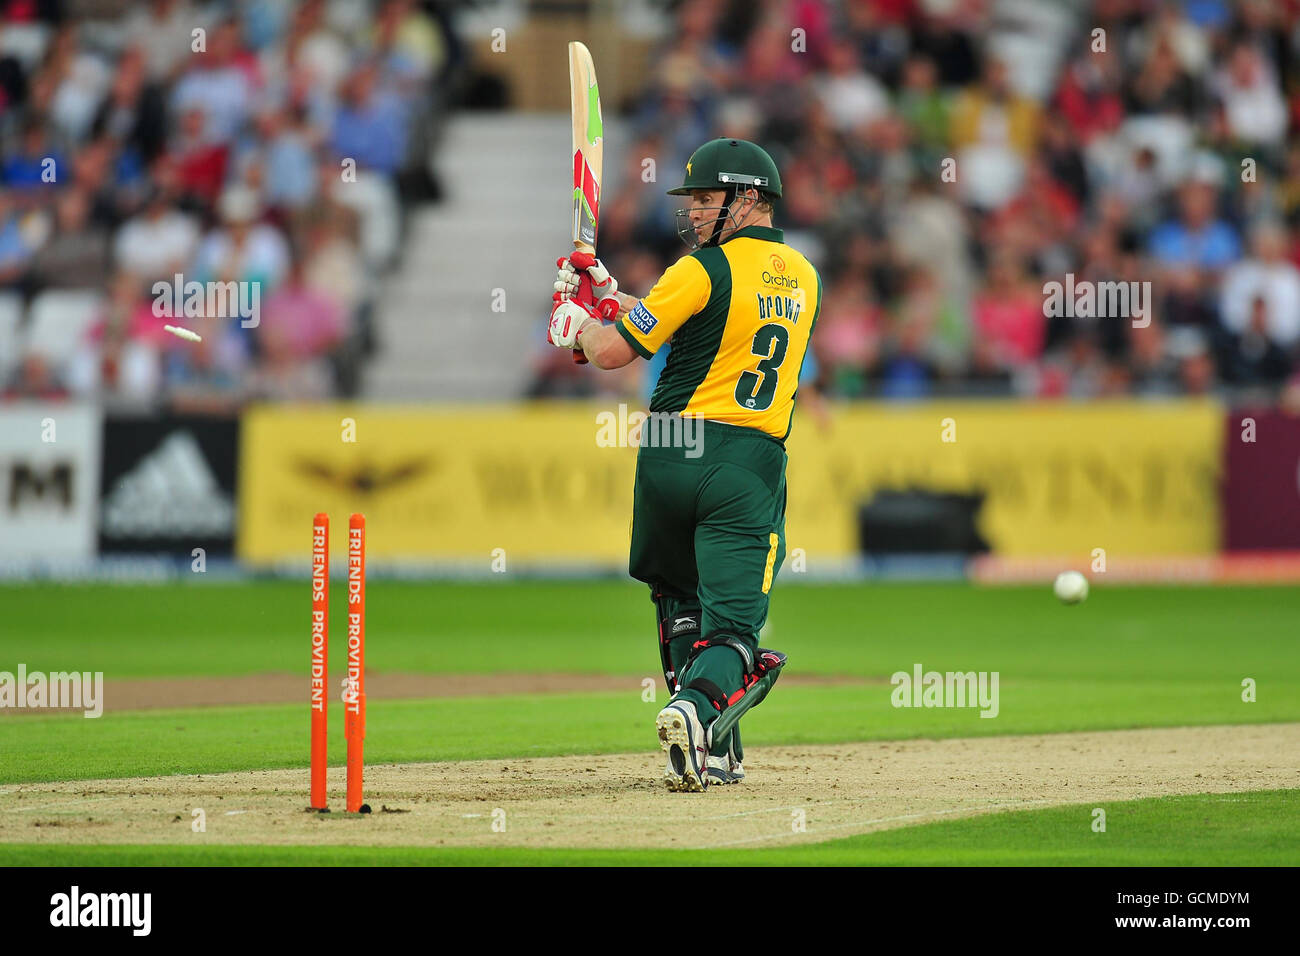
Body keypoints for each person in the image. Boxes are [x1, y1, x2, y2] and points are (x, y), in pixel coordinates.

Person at [547, 138, 822, 791]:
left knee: (678, 601)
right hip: (744, 462)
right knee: (735, 633)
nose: (696, 212)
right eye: (694, 201)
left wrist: (575, 325)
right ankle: (697, 713)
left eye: (706, 198)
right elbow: (707, 324)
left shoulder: (696, 270)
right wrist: (611, 301)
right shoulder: (806, 276)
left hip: (670, 453)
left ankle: (717, 747)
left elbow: (616, 351)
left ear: (748, 198)